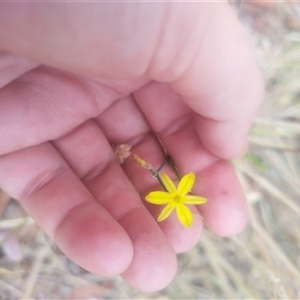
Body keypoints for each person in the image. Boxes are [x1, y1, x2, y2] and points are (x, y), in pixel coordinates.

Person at [0, 2, 264, 292]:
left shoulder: (178, 196)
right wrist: (171, 26)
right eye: (178, 195)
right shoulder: (175, 192)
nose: (179, 196)